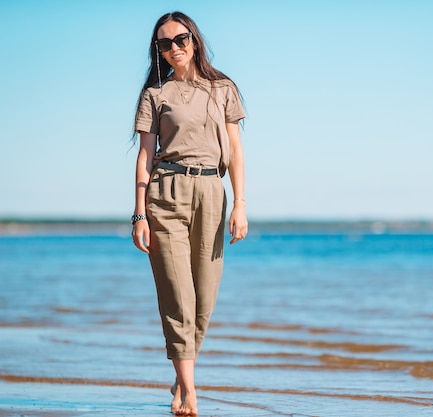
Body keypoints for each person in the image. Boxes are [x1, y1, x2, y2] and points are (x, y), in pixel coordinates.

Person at [131, 11, 247, 416]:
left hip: (212, 193)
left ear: (194, 40)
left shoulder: (223, 88)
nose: (174, 48)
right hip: (166, 194)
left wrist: (241, 205)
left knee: (205, 299)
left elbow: (235, 153)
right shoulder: (154, 95)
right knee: (177, 297)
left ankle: (181, 376)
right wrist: (139, 213)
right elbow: (145, 156)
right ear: (158, 52)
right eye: (164, 44)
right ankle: (191, 390)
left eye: (180, 39)